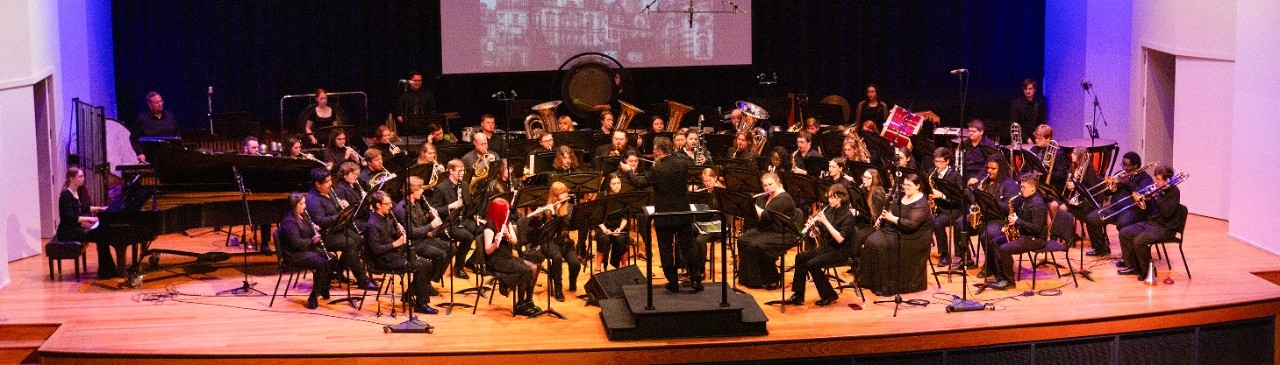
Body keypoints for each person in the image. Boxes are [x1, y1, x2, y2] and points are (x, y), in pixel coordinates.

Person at [619, 137, 701, 292]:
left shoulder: (657, 169)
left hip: (665, 215)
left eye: (655, 150)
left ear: (658, 151)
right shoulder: (683, 164)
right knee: (688, 246)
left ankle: (673, 283)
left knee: (665, 249)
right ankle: (696, 280)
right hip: (683, 212)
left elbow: (639, 183)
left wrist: (629, 171)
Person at [304, 167, 378, 291]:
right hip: (324, 235)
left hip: (336, 229)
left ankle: (336, 270)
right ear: (317, 184)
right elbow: (321, 221)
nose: (330, 184)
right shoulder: (312, 199)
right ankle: (362, 280)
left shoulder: (330, 192)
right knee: (350, 244)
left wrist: (342, 206)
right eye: (327, 181)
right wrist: (340, 215)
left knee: (358, 239)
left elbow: (335, 209)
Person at [364, 191, 438, 314]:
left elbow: (390, 235)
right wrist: (396, 243)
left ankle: (412, 296)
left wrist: (398, 233)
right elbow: (376, 250)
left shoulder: (386, 217)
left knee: (426, 263)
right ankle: (421, 304)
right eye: (387, 204)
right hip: (382, 260)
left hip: (393, 254)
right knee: (422, 265)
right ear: (378, 205)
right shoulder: (372, 225)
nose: (390, 206)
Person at [859, 173, 932, 296]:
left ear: (918, 186)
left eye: (909, 185)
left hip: (914, 237)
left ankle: (886, 286)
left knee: (883, 245)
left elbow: (912, 224)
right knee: (871, 241)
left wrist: (891, 218)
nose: (905, 187)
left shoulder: (922, 203)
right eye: (904, 184)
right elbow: (892, 208)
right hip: (897, 229)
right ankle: (870, 281)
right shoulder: (902, 195)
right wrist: (882, 218)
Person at [787, 184, 857, 306]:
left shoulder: (848, 216)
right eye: (829, 197)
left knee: (812, 264)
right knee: (800, 257)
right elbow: (820, 234)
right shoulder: (829, 209)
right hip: (826, 248)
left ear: (841, 198)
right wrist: (814, 228)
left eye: (832, 197)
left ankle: (829, 294)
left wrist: (825, 221)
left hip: (840, 251)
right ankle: (798, 295)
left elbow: (840, 239)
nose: (829, 200)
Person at [984, 173, 1048, 290]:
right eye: (1021, 186)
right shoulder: (1025, 198)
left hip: (1035, 238)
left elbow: (1036, 228)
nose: (1021, 190)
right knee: (994, 242)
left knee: (1004, 249)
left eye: (1024, 187)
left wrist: (1017, 221)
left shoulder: (1037, 204)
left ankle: (1009, 281)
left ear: (1033, 188)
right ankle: (1000, 276)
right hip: (1024, 233)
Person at [1116, 165, 1181, 281]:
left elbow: (1166, 213)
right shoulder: (1159, 190)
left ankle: (1148, 272)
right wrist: (1144, 199)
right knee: (1124, 232)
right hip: (1151, 222)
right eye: (1156, 179)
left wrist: (1156, 197)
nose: (1156, 182)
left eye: (1159, 179)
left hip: (1165, 227)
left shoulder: (1174, 192)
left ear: (1167, 180)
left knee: (1139, 241)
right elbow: (1150, 209)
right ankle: (1134, 267)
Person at [479, 199, 542, 316]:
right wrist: (495, 242)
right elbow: (488, 251)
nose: (508, 212)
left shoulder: (506, 223)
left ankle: (528, 300)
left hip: (507, 257)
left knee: (533, 268)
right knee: (525, 271)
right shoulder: (490, 226)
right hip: (496, 261)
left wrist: (507, 236)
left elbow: (515, 241)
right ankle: (520, 305)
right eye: (506, 210)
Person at [736, 172, 799, 289]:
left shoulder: (784, 198)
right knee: (742, 239)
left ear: (778, 182)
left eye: (770, 184)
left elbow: (766, 216)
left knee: (758, 245)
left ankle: (772, 278)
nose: (768, 188)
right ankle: (748, 278)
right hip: (768, 229)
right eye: (765, 185)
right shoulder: (767, 196)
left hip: (782, 232)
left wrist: (752, 205)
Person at [277, 192, 337, 309]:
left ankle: (323, 288)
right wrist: (312, 240)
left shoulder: (302, 215)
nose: (305, 206)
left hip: (306, 250)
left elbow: (305, 232)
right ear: (295, 205)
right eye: (302, 203)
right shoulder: (289, 222)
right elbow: (297, 243)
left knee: (332, 259)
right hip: (294, 255)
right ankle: (313, 297)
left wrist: (313, 228)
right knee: (322, 264)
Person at [394, 176, 452, 288]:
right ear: (412, 191)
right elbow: (411, 232)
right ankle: (423, 284)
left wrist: (430, 217)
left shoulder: (416, 203)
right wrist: (431, 225)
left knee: (450, 248)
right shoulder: (402, 209)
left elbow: (421, 222)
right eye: (420, 188)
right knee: (440, 255)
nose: (422, 191)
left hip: (423, 238)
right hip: (413, 243)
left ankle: (426, 281)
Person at [528, 182, 579, 301]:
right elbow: (537, 230)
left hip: (566, 242)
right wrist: (537, 217)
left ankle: (572, 282)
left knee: (575, 263)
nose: (566, 194)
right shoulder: (548, 209)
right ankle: (558, 288)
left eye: (566, 192)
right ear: (555, 196)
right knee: (556, 258)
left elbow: (567, 223)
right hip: (550, 243)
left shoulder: (571, 208)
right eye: (562, 193)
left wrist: (555, 214)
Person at [971, 156, 1020, 275]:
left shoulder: (1009, 184)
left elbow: (1011, 207)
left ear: (1001, 169)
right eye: (988, 168)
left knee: (985, 235)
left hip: (1002, 220)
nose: (989, 171)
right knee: (959, 223)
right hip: (986, 217)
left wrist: (992, 202)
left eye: (993, 169)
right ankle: (966, 260)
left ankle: (990, 265)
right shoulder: (985, 182)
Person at [430, 159, 479, 279]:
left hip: (463, 220)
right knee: (468, 237)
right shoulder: (441, 188)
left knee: (484, 229)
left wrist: (475, 216)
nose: (462, 173)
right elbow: (434, 210)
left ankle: (472, 261)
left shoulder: (464, 185)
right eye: (459, 171)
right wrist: (449, 206)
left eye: (463, 170)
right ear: (451, 171)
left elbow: (468, 205)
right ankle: (459, 267)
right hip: (448, 223)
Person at [58, 167, 108, 278]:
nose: (83, 179)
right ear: (72, 178)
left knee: (103, 236)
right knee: (101, 236)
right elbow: (71, 218)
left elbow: (83, 208)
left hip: (75, 228)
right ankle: (105, 270)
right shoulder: (65, 196)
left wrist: (100, 208)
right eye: (80, 176)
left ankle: (107, 269)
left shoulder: (75, 193)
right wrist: (91, 219)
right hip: (67, 231)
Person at [925, 147, 964, 267]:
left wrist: (941, 195)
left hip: (954, 208)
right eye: (935, 161)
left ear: (947, 161)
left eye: (940, 162)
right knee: (925, 219)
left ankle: (945, 255)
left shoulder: (955, 176)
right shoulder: (932, 172)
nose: (937, 165)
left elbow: (959, 198)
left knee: (937, 223)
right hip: (939, 208)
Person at [593, 173, 631, 271]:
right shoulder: (602, 196)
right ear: (609, 185)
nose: (617, 186)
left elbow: (625, 217)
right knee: (604, 239)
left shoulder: (624, 196)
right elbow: (597, 217)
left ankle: (623, 266)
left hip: (619, 226)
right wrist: (605, 230)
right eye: (613, 184)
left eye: (618, 183)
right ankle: (598, 266)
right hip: (604, 226)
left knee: (621, 239)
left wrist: (620, 228)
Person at [131, 92, 179, 163]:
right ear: (149, 104)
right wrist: (140, 153)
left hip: (170, 156)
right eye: (156, 102)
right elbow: (133, 138)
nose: (160, 104)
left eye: (161, 101)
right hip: (152, 158)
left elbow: (177, 135)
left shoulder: (169, 116)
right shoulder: (142, 119)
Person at [1026, 124, 1067, 190]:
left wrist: (1045, 173)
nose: (1036, 140)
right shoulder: (1033, 149)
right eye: (1036, 138)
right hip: (1032, 184)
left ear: (1048, 138)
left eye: (1040, 139)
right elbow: (1027, 167)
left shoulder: (1058, 152)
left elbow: (1062, 175)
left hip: (1047, 186)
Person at [959, 119, 1000, 184]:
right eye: (969, 131)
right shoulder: (965, 143)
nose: (970, 133)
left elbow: (988, 165)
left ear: (981, 132)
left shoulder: (988, 145)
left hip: (981, 174)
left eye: (973, 131)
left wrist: (977, 178)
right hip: (966, 173)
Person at [1010, 79, 1047, 143]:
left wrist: (1037, 134)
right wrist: (1027, 138)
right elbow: (1014, 124)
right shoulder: (1017, 103)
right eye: (1026, 89)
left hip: (1035, 138)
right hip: (1020, 139)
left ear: (1034, 90)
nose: (1028, 91)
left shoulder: (1039, 103)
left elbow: (1041, 122)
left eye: (1030, 89)